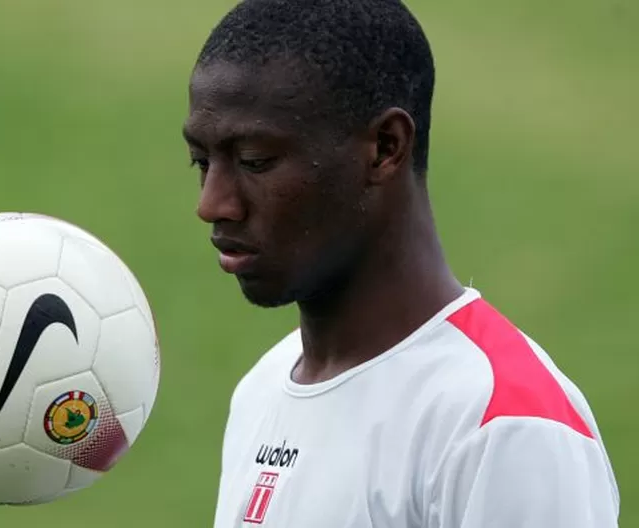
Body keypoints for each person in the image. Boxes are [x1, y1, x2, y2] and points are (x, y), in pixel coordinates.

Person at [182, 0, 620, 526]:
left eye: (255, 162)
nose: (212, 204)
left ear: (385, 148)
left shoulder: (502, 426)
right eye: (202, 162)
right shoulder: (263, 388)